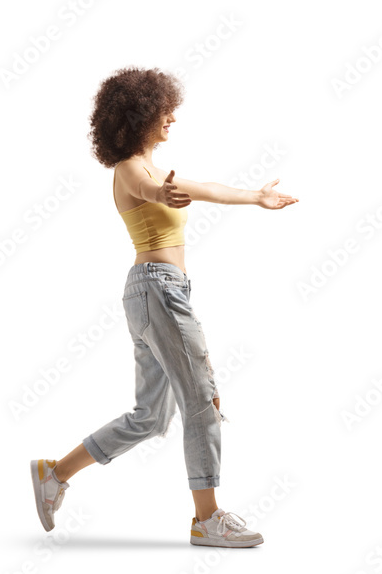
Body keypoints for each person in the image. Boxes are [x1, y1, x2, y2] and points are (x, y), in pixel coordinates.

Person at [30, 66, 298, 548]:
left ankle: (55, 473)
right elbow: (154, 192)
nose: (171, 116)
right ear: (137, 116)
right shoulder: (134, 169)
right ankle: (207, 518)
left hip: (156, 292)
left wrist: (257, 197)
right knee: (203, 402)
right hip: (159, 289)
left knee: (151, 417)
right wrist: (163, 193)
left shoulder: (152, 167)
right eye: (161, 110)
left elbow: (208, 189)